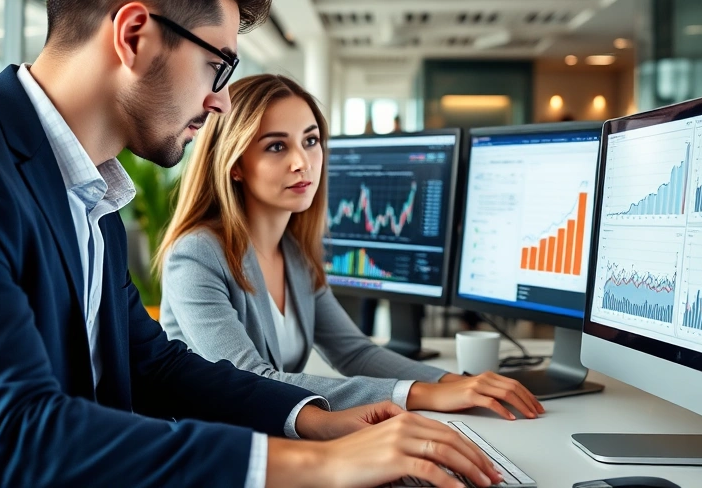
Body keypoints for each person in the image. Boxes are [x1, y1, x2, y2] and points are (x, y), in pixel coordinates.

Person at [0, 0, 504, 488]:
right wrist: (320, 465)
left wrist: (314, 420)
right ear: (135, 35)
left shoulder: (90, 192)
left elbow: (151, 365)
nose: (220, 101)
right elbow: (13, 439)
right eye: (218, 65)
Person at [158, 74, 545, 419]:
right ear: (235, 164)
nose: (302, 162)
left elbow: (354, 352)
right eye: (276, 146)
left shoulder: (294, 253)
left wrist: (454, 383)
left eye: (310, 141)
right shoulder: (196, 255)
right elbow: (251, 380)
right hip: (211, 452)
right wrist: (421, 394)